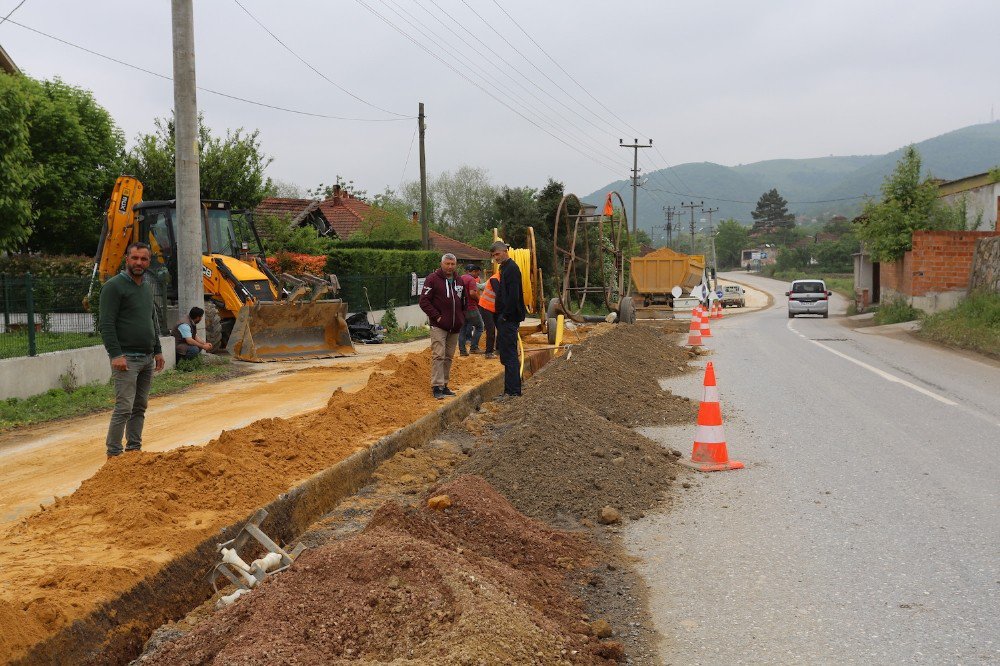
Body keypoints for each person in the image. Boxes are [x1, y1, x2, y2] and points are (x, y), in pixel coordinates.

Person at [99, 242, 165, 458]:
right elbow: (106, 324)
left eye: (144, 259)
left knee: (139, 407)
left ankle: (134, 450)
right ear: (126, 259)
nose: (139, 262)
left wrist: (158, 350)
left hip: (146, 358)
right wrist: (116, 354)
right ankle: (114, 454)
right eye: (135, 258)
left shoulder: (146, 287)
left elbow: (152, 320)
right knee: (124, 407)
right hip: (127, 359)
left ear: (148, 262)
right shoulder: (114, 287)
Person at [419, 253, 466, 400]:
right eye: (447, 264)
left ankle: (445, 385)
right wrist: (437, 316)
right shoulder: (432, 279)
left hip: (455, 326)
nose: (450, 266)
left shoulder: (459, 280)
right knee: (438, 355)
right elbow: (424, 301)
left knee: (448, 356)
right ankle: (436, 386)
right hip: (439, 325)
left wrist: (461, 317)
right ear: (441, 264)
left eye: (452, 264)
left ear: (456, 265)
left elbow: (463, 300)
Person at [490, 240, 526, 397]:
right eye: (493, 255)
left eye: (497, 254)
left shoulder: (511, 269)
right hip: (505, 318)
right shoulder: (504, 268)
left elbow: (513, 296)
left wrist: (505, 316)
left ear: (505, 251)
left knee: (510, 355)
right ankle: (509, 390)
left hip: (509, 319)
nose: (496, 257)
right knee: (506, 354)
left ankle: (513, 392)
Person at [457, 264, 483, 356]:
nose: (477, 276)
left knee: (462, 330)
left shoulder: (459, 278)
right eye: (477, 274)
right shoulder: (471, 279)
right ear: (473, 271)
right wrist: (479, 300)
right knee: (480, 327)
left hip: (461, 308)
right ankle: (474, 348)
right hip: (471, 307)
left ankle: (462, 351)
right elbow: (472, 293)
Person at [477, 265, 501, 359]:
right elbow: (499, 295)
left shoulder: (503, 279)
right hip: (486, 307)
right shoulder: (495, 279)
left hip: (494, 308)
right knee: (491, 329)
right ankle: (488, 352)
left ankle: (499, 349)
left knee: (501, 327)